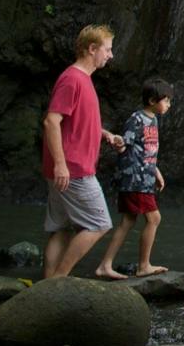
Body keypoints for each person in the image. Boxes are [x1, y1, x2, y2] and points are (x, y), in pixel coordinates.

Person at [41, 24, 127, 279]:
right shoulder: (72, 79)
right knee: (99, 224)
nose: (110, 55)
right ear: (92, 49)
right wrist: (60, 164)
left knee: (62, 228)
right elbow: (51, 121)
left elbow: (77, 121)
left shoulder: (83, 80)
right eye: (107, 49)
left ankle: (46, 287)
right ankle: (59, 280)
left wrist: (106, 135)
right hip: (73, 169)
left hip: (66, 168)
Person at [94, 79, 173, 280]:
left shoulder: (153, 120)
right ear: (152, 100)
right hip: (134, 179)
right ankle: (143, 265)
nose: (169, 105)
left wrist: (156, 172)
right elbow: (124, 146)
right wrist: (117, 141)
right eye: (166, 100)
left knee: (128, 221)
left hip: (145, 178)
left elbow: (147, 150)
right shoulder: (136, 119)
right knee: (154, 218)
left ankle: (105, 264)